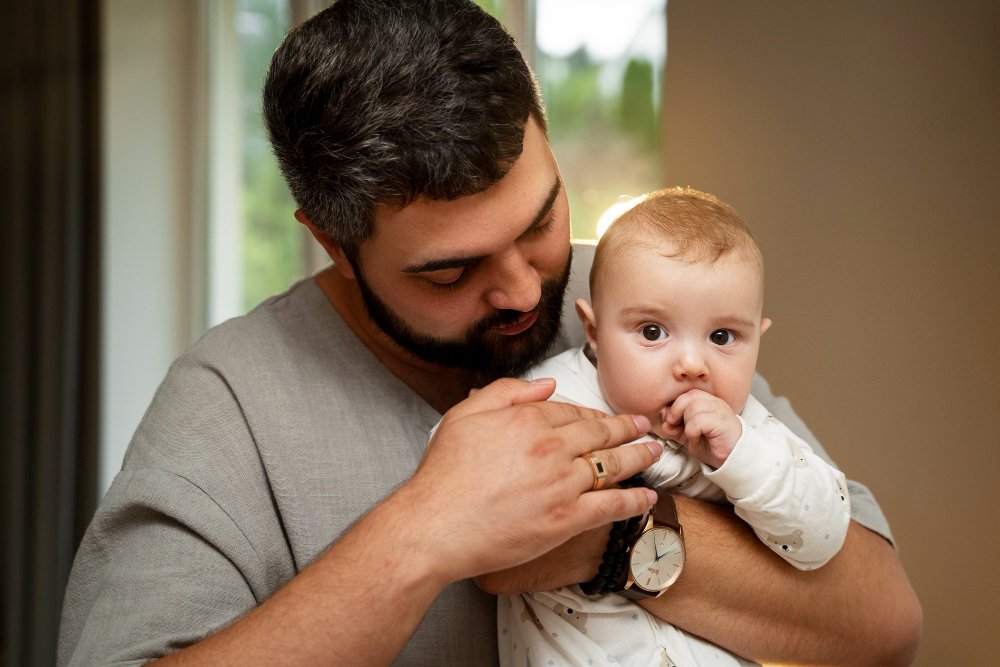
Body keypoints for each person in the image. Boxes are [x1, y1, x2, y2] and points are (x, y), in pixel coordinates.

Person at [57, 1, 921, 665]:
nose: (523, 286)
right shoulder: (230, 401)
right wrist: (425, 531)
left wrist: (608, 539)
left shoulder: (635, 307)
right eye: (449, 270)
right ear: (331, 239)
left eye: (542, 219)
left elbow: (884, 621)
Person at [500, 187, 852, 666]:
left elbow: (822, 538)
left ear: (758, 339)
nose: (692, 364)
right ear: (595, 332)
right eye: (652, 332)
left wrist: (742, 458)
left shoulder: (749, 428)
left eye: (723, 337)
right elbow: (464, 469)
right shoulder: (551, 394)